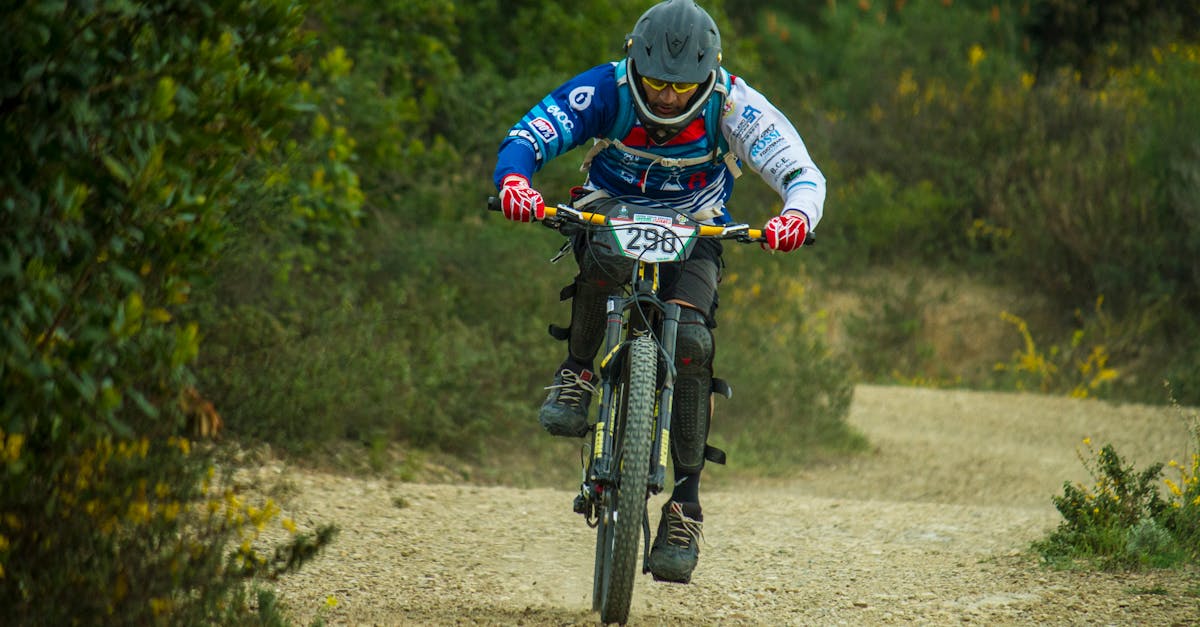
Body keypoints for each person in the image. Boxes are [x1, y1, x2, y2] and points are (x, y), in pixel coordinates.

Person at [492, 0, 825, 584]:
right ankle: (578, 373)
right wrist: (515, 180)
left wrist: (796, 215)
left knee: (692, 340)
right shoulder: (607, 90)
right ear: (633, 65)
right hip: (609, 215)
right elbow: (530, 135)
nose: (668, 98)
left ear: (710, 73)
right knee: (604, 254)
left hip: (697, 228)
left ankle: (685, 506)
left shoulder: (734, 104)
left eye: (681, 86)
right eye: (655, 83)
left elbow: (801, 171)